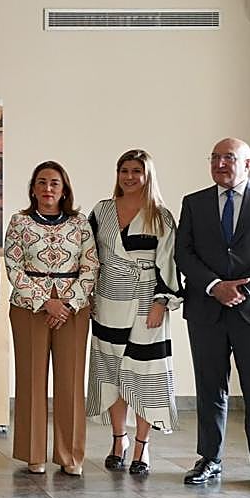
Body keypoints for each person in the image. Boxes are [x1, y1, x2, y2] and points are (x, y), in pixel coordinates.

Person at [176, 138, 250, 496]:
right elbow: (183, 252)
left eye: (229, 157)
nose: (220, 163)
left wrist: (246, 289)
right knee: (210, 387)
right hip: (207, 308)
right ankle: (209, 459)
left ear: (248, 164)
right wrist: (215, 285)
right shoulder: (194, 203)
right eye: (215, 157)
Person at [85, 149, 181, 476]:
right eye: (124, 170)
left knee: (144, 377)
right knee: (113, 372)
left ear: (147, 175)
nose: (129, 176)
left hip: (147, 304)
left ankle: (143, 446)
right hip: (108, 301)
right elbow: (89, 255)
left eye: (136, 171)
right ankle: (118, 441)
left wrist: (161, 302)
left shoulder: (161, 216)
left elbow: (169, 262)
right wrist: (86, 296)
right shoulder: (101, 211)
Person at [3, 161, 97, 476]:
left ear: (64, 189)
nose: (48, 189)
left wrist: (67, 303)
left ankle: (70, 455)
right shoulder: (19, 222)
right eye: (42, 183)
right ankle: (33, 454)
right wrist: (45, 302)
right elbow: (13, 267)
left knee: (70, 381)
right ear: (33, 188)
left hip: (73, 309)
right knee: (31, 379)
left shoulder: (80, 223)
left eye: (54, 183)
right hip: (30, 308)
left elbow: (90, 265)